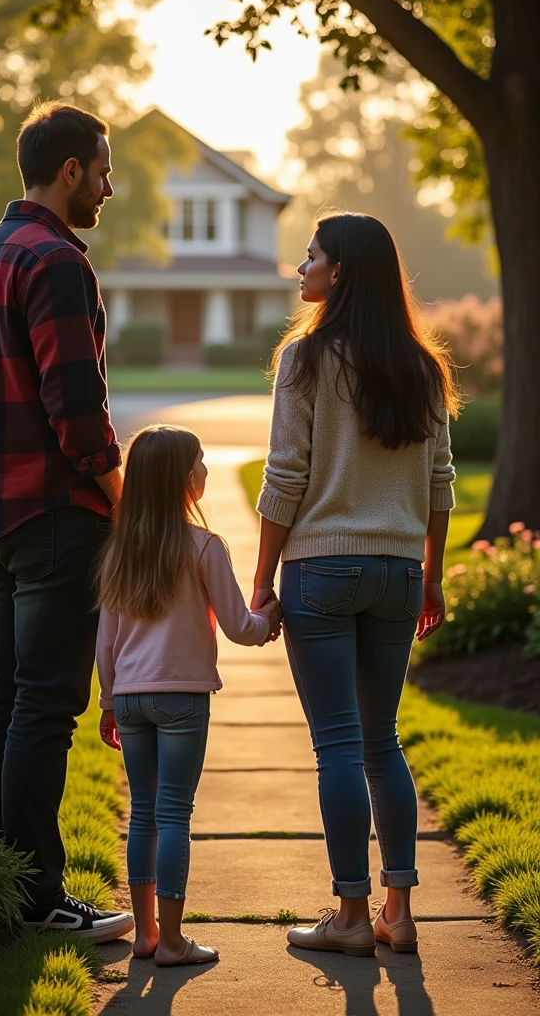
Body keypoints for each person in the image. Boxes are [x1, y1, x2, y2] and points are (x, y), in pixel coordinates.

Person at [0, 101, 133, 940]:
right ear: (70, 171)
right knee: (46, 707)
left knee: (6, 695)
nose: (110, 187)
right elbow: (78, 411)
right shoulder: (56, 263)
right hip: (55, 514)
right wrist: (127, 504)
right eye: (103, 169)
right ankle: (38, 897)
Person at [252, 212, 458, 957]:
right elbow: (440, 482)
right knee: (382, 743)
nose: (299, 270)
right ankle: (398, 913)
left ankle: (348, 916)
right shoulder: (422, 367)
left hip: (323, 571)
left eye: (310, 258)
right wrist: (431, 576)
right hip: (400, 572)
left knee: (337, 745)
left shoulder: (306, 361)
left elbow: (286, 478)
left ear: (338, 273)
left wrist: (260, 578)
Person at [96, 425, 281, 966]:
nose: (205, 470)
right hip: (182, 697)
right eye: (200, 462)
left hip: (129, 697)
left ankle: (146, 935)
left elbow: (105, 641)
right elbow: (238, 627)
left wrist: (109, 700)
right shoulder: (204, 546)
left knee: (144, 814)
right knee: (175, 814)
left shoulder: (118, 552)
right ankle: (175, 942)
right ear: (183, 481)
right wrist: (270, 618)